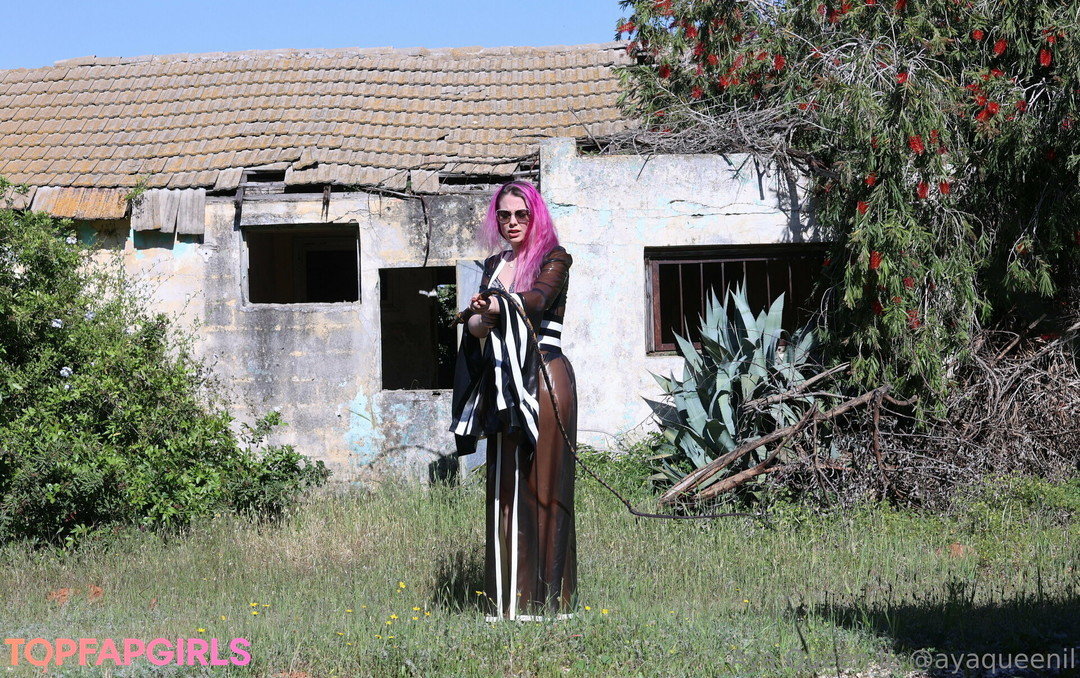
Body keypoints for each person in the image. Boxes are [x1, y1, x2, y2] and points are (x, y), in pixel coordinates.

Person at [450, 181, 577, 621]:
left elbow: (537, 301)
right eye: (504, 215)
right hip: (503, 382)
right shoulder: (493, 265)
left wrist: (494, 306)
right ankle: (507, 603)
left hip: (543, 377)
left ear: (535, 215)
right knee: (505, 485)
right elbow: (477, 328)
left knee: (544, 485)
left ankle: (547, 604)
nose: (512, 222)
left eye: (521, 214)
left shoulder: (554, 258)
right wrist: (477, 320)